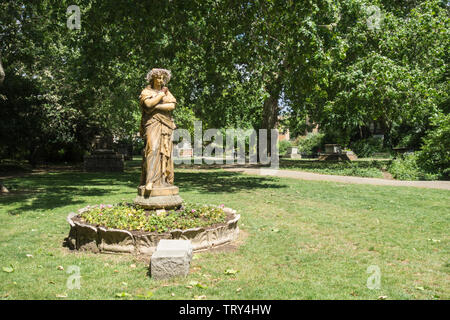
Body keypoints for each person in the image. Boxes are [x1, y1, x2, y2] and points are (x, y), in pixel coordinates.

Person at [139, 68, 177, 192]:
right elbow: (148, 105)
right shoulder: (146, 91)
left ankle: (164, 180)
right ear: (153, 78)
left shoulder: (166, 91)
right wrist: (160, 96)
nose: (160, 80)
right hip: (152, 123)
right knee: (152, 148)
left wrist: (156, 106)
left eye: (162, 78)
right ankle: (150, 180)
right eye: (158, 78)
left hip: (165, 124)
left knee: (165, 152)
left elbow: (171, 105)